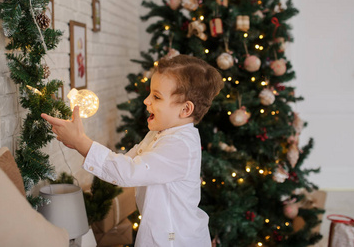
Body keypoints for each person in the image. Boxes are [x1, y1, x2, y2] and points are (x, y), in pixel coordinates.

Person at [42, 54, 223, 246]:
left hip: (175, 240)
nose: (146, 101)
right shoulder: (161, 134)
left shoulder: (180, 146)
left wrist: (82, 143)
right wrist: (81, 144)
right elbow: (125, 163)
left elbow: (127, 173)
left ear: (185, 110)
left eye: (156, 97)